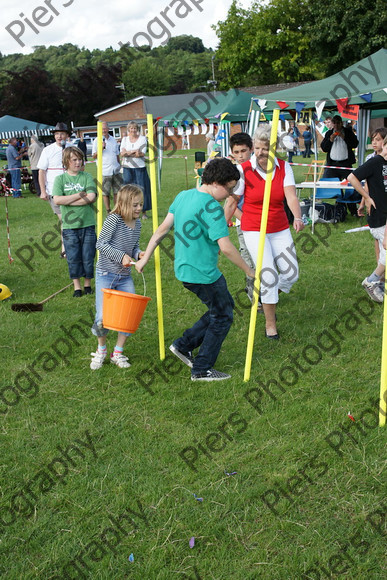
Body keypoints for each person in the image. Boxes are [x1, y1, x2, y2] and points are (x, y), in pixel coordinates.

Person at [135, 157, 256, 382]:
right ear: (217, 183)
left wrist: (145, 258)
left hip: (184, 271)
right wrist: (249, 271)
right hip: (204, 274)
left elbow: (161, 230)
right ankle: (201, 369)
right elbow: (227, 248)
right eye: (229, 189)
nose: (230, 195)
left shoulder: (183, 195)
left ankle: (183, 345)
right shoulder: (212, 207)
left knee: (221, 308)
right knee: (223, 316)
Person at [224, 125, 304, 339]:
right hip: (253, 228)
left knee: (291, 273)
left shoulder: (284, 168)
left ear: (274, 149)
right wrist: (222, 225)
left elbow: (291, 197)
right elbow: (232, 202)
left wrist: (297, 216)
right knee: (268, 274)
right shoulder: (244, 170)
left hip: (279, 227)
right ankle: (270, 324)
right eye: (257, 148)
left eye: (265, 148)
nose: (260, 152)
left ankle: (269, 295)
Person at [90, 185, 144, 370]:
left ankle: (118, 352)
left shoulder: (137, 224)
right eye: (135, 205)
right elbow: (101, 244)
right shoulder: (114, 219)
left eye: (141, 205)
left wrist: (138, 255)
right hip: (106, 274)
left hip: (125, 277)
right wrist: (121, 256)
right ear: (123, 204)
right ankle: (101, 350)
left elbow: (134, 246)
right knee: (102, 317)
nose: (139, 208)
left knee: (129, 316)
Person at [52, 147, 97, 297]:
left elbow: (91, 197)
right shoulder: (60, 179)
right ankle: (77, 287)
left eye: (80, 159)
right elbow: (57, 199)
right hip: (70, 227)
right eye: (74, 160)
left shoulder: (87, 177)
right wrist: (78, 195)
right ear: (66, 161)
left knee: (88, 256)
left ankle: (88, 284)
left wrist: (68, 201)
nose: (78, 163)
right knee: (73, 257)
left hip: (88, 224)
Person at [347, 135, 387, 303]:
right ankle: (372, 280)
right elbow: (352, 177)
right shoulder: (376, 161)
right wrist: (366, 198)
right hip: (379, 216)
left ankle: (377, 282)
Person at [229, 132, 256, 305]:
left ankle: (265, 293)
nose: (240, 156)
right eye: (236, 152)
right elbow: (230, 203)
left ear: (251, 149)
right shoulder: (235, 173)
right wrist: (245, 220)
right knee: (249, 262)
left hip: (262, 224)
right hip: (244, 224)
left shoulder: (258, 168)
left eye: (243, 151)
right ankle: (255, 298)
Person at [38, 122, 71, 256]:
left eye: (62, 133)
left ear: (67, 135)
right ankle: (65, 249)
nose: (59, 136)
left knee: (70, 220)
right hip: (54, 191)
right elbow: (41, 171)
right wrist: (43, 191)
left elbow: (81, 167)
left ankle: (69, 247)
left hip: (71, 190)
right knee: (65, 220)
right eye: (57, 134)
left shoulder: (71, 148)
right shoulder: (48, 150)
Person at [358, 127, 387, 264]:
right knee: (378, 236)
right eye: (373, 140)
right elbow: (366, 184)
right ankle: (379, 268)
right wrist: (364, 202)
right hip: (375, 204)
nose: (374, 143)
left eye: (378, 140)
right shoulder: (371, 159)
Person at [120, 121, 151, 220]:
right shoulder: (124, 139)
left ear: (137, 129)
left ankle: (144, 212)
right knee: (128, 190)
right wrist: (133, 152)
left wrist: (129, 153)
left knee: (141, 189)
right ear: (128, 129)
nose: (133, 130)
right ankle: (129, 211)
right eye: (131, 128)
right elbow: (122, 153)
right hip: (127, 168)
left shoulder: (142, 139)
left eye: (135, 128)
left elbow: (141, 154)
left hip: (139, 168)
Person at [92, 122, 122, 214]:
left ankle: (116, 210)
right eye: (102, 129)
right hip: (105, 170)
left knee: (117, 191)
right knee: (106, 192)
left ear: (108, 129)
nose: (104, 130)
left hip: (115, 169)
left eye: (105, 128)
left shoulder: (113, 139)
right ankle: (108, 210)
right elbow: (93, 156)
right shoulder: (97, 141)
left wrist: (119, 165)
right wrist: (101, 148)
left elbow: (117, 154)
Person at [320, 115, 358, 180]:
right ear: (332, 124)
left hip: (345, 163)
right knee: (329, 183)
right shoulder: (329, 133)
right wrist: (330, 140)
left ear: (341, 123)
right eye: (334, 123)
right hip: (332, 164)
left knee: (350, 183)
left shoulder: (348, 132)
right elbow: (324, 148)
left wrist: (344, 138)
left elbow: (355, 144)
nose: (336, 125)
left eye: (338, 123)